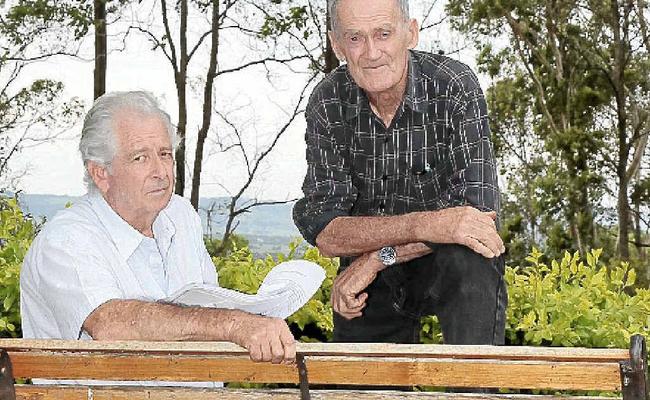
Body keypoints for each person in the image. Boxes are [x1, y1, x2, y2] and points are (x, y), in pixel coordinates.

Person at [20, 91, 295, 365]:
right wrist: (234, 325)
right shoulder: (66, 241)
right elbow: (111, 325)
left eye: (165, 154)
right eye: (140, 158)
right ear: (100, 173)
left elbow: (210, 310)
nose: (161, 171)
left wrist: (254, 322)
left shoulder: (180, 215)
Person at [293, 0, 507, 345]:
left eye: (383, 33)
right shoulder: (328, 101)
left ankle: (474, 386)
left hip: (442, 264)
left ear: (411, 33)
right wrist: (425, 226)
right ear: (337, 45)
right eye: (355, 38)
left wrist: (377, 257)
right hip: (369, 275)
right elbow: (327, 231)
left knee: (469, 257)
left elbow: (476, 218)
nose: (371, 52)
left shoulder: (454, 87)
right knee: (361, 383)